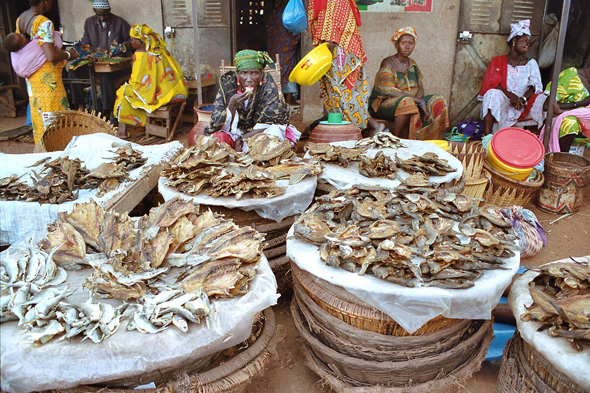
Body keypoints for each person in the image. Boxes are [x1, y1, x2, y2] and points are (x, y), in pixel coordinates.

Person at [308, 0, 383, 137]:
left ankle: (363, 129)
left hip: (341, 49)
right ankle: (351, 131)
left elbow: (337, 25)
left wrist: (329, 41)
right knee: (335, 94)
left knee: (346, 93)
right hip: (333, 48)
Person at [204, 50, 301, 152]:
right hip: (235, 131)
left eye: (254, 73)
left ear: (260, 74)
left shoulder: (267, 84)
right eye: (244, 73)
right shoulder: (228, 85)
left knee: (275, 133)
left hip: (259, 133)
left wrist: (242, 139)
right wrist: (231, 106)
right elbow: (216, 123)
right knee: (218, 139)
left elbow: (272, 120)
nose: (249, 79)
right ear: (237, 74)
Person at [15, 0, 78, 148]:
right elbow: (50, 56)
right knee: (54, 114)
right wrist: (70, 55)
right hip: (47, 79)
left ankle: (43, 148)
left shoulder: (21, 19)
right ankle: (57, 150)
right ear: (46, 1)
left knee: (39, 115)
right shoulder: (43, 22)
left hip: (33, 78)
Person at [368, 26, 449, 140]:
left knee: (438, 100)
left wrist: (418, 101)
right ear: (396, 45)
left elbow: (420, 87)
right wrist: (418, 101)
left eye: (411, 43)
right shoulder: (387, 63)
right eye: (403, 43)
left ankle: (427, 140)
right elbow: (390, 92)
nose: (407, 47)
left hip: (410, 101)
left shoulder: (412, 64)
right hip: (384, 104)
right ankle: (395, 139)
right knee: (407, 102)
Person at [114, 24, 187, 138]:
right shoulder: (159, 51)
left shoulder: (140, 56)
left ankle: (122, 132)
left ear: (140, 42)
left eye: (132, 40)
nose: (130, 42)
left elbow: (137, 82)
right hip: (175, 92)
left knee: (122, 93)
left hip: (159, 95)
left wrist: (126, 86)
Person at [479, 20, 546, 135]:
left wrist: (522, 99)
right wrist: (512, 96)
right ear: (514, 41)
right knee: (491, 94)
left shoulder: (531, 63)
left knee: (544, 98)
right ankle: (487, 138)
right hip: (505, 101)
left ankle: (537, 141)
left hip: (525, 103)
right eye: (524, 41)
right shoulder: (498, 61)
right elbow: (492, 85)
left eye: (529, 42)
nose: (527, 45)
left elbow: (535, 86)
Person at [69, 0, 131, 120]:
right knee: (73, 72)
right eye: (99, 15)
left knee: (105, 76)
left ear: (110, 10)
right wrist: (93, 48)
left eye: (105, 15)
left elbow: (131, 42)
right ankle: (82, 110)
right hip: (95, 64)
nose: (102, 18)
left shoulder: (120, 23)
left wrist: (119, 47)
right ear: (94, 12)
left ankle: (111, 114)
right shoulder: (89, 22)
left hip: (114, 68)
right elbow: (85, 42)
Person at [539, 66, 590, 152]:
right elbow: (547, 106)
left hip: (584, 118)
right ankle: (563, 157)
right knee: (570, 122)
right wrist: (578, 104)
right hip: (558, 117)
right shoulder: (571, 76)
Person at [265, 0, 301, 106]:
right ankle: (289, 99)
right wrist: (299, 37)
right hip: (284, 44)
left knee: (277, 69)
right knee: (289, 70)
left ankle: (280, 98)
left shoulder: (275, 11)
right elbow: (291, 30)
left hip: (274, 44)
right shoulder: (288, 11)